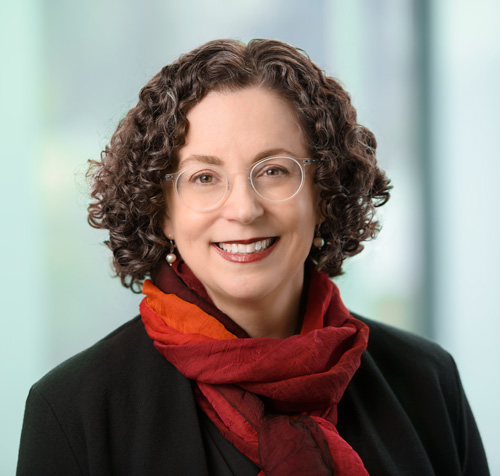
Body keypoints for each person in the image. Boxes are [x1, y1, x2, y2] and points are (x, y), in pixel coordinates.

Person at [17, 39, 489, 476]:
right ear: (161, 211)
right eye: (204, 177)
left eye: (274, 171)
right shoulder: (73, 410)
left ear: (324, 195)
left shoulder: (427, 382)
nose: (244, 209)